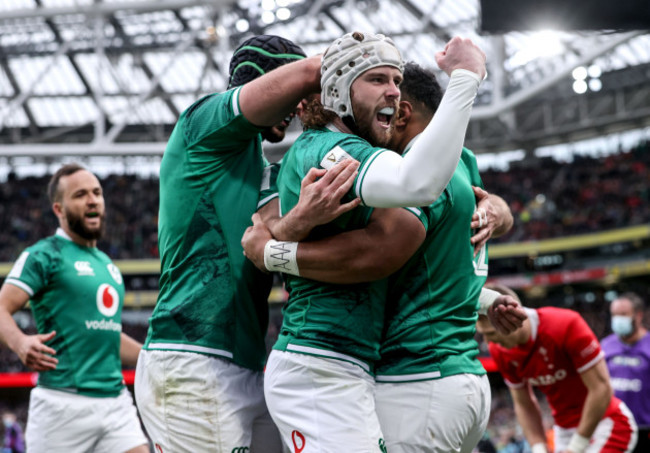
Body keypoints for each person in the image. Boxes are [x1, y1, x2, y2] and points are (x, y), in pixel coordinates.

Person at [243, 59, 523, 452]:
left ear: (402, 113)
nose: (383, 113)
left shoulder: (413, 175)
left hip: (418, 378)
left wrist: (276, 254)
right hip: (461, 378)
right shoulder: (462, 163)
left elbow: (380, 251)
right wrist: (490, 293)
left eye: (391, 96)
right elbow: (435, 269)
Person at [134, 34, 361, 453]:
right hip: (190, 359)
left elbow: (269, 243)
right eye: (295, 96)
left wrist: (303, 218)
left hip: (247, 362)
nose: (298, 109)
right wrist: (346, 63)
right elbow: (308, 71)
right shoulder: (202, 123)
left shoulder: (259, 163)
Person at [0, 163, 148, 453]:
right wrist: (20, 342)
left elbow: (106, 334)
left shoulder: (108, 266)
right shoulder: (44, 254)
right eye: (80, 194)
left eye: (97, 192)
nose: (92, 199)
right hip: (61, 405)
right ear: (59, 209)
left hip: (115, 402)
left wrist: (150, 358)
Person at [476, 284, 638, 453]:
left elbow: (601, 389)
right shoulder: (499, 350)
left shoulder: (564, 325)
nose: (488, 343)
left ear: (513, 318)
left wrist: (576, 447)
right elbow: (524, 404)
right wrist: (538, 447)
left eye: (491, 334)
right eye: (484, 335)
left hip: (607, 423)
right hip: (564, 430)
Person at [602, 292, 650, 453]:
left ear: (638, 315)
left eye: (623, 314)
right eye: (614, 315)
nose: (617, 319)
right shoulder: (606, 346)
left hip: (645, 428)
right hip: (614, 428)